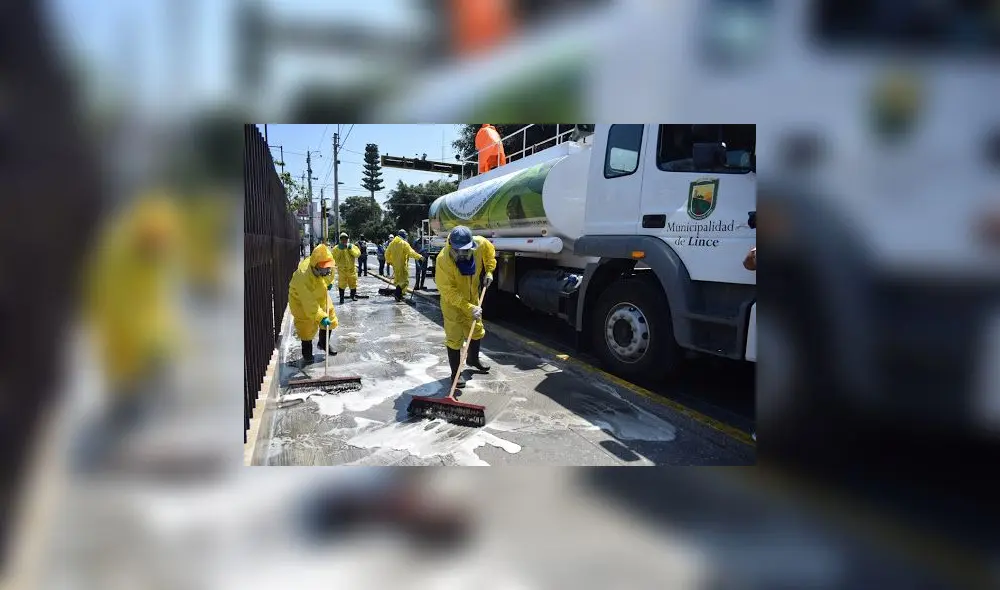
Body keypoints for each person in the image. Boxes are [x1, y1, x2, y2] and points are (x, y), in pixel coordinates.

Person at [435, 226, 497, 388]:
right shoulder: (443, 260)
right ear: (451, 246)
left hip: (472, 298)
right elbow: (448, 291)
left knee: (477, 330)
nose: (463, 254)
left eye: (466, 250)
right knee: (455, 338)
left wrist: (489, 271)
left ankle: (473, 359)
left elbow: (490, 251)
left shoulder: (479, 244)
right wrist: (468, 307)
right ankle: (455, 374)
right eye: (459, 251)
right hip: (452, 304)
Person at [288, 244, 340, 363]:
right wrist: (320, 317)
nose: (328, 270)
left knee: (330, 317)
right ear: (315, 266)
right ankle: (307, 352)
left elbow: (330, 274)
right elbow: (309, 302)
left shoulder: (327, 267)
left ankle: (323, 343)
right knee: (306, 326)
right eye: (324, 268)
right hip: (301, 301)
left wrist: (328, 282)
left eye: (328, 267)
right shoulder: (303, 276)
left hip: (320, 292)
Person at [384, 229, 423, 302]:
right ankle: (397, 294)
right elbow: (411, 252)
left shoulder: (392, 243)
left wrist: (390, 261)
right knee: (404, 282)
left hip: (395, 266)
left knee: (398, 280)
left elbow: (386, 254)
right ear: (404, 235)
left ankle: (399, 296)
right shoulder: (404, 243)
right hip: (402, 265)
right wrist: (420, 257)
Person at [331, 232, 361, 303]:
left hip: (351, 270)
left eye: (345, 238)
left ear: (347, 239)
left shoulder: (352, 246)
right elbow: (333, 258)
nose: (344, 240)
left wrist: (351, 249)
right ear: (340, 240)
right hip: (342, 270)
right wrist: (339, 250)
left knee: (353, 283)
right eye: (342, 239)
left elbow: (357, 254)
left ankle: (353, 296)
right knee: (341, 284)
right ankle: (341, 298)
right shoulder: (336, 248)